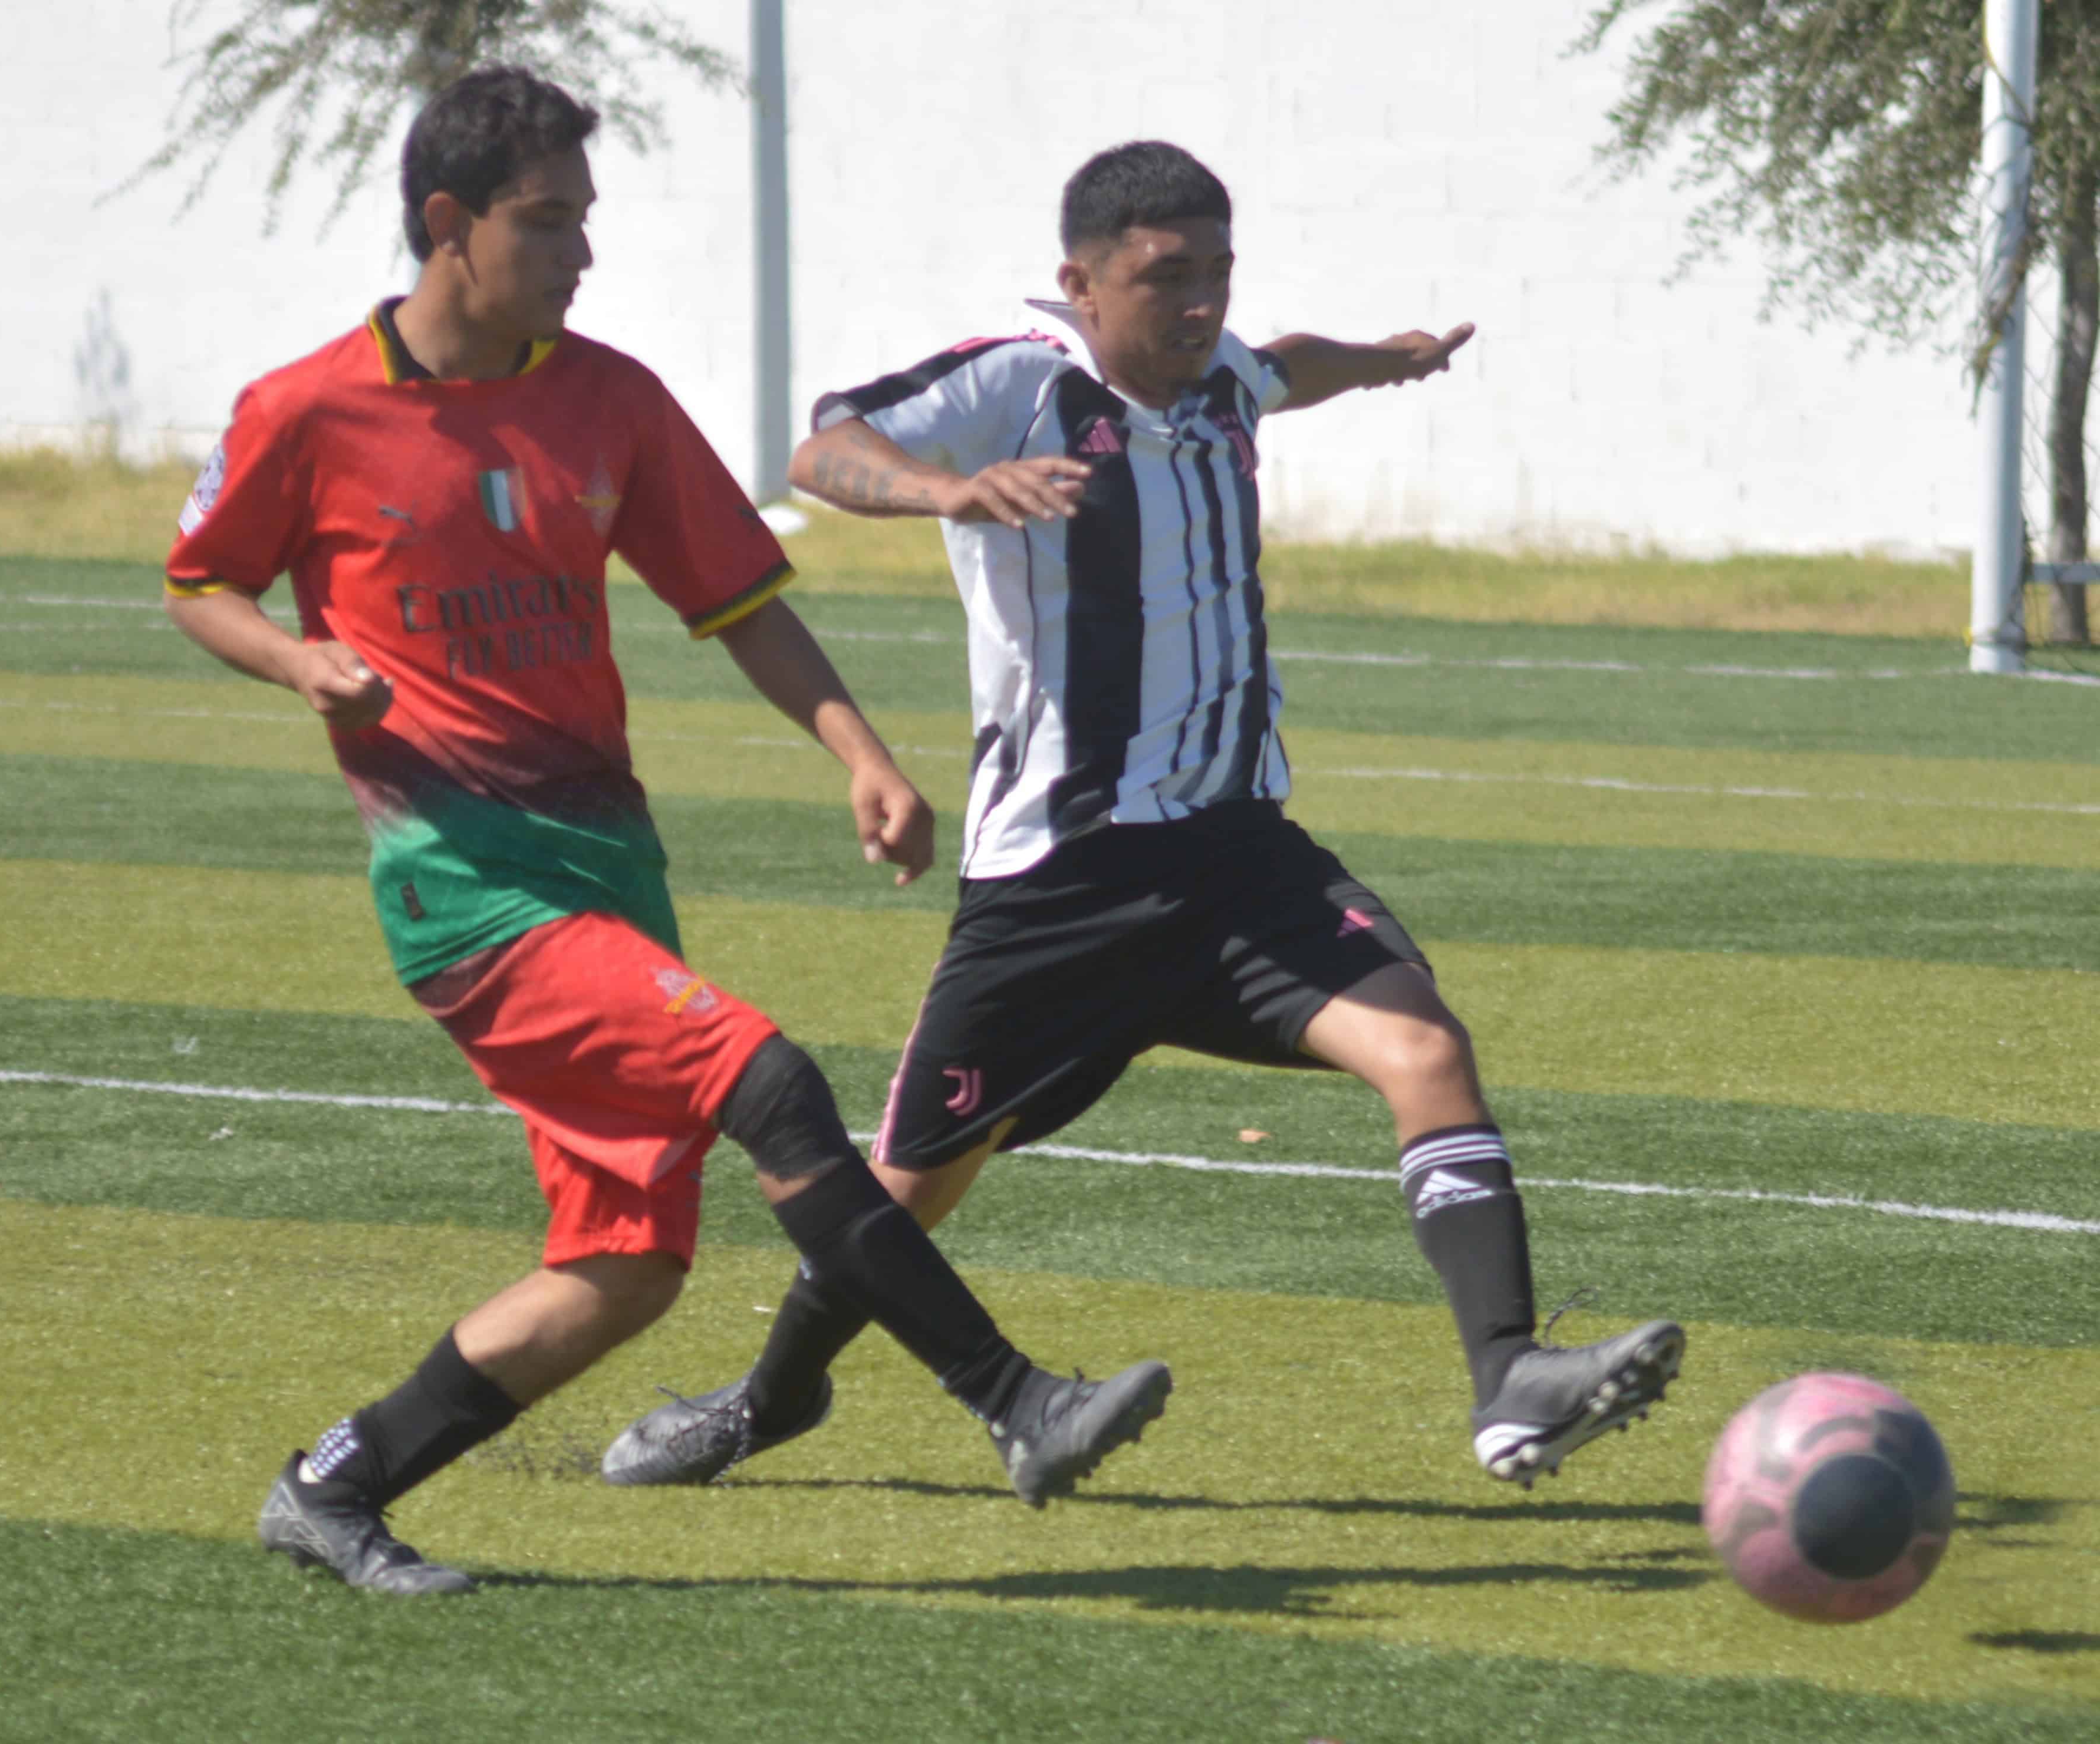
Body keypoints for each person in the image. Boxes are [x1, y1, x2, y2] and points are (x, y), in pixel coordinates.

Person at [163, 70, 1171, 1594]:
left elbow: (738, 602)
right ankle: (1016, 1402)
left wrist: (862, 755)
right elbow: (200, 580)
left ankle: (335, 1484)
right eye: (545, 221)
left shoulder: (608, 398)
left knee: (626, 1269)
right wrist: (299, 659)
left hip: (609, 879)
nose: (580, 253)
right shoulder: (308, 411)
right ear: (448, 227)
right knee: (765, 1078)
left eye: (586, 220)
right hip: (468, 899)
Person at [604, 139, 1683, 1495]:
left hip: (1239, 856)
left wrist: (1393, 357)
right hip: (1060, 882)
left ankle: (1510, 1381)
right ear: (1080, 280)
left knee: (1422, 1049)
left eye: (1215, 273)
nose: (1199, 304)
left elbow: (1290, 363)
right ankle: (764, 1403)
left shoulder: (1222, 373)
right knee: (907, 1192)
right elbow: (823, 446)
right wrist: (948, 487)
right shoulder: (1016, 382)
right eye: (1164, 277)